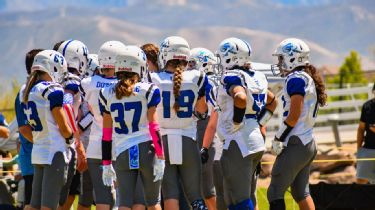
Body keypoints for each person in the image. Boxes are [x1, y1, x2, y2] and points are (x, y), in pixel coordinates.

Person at [201, 37, 277, 210]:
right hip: (254, 140)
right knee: (238, 196)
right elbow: (273, 102)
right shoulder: (256, 76)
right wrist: (259, 122)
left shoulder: (232, 76)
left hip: (238, 142)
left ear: (231, 57)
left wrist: (236, 121)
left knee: (238, 200)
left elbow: (240, 97)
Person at [99, 45, 164, 210]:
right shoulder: (148, 90)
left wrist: (106, 163)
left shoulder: (106, 93)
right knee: (153, 203)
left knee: (124, 203)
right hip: (146, 150)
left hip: (122, 152)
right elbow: (154, 126)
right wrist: (161, 156)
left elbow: (106, 134)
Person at [149, 36, 208, 210]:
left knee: (170, 194)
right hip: (188, 139)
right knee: (195, 196)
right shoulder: (197, 76)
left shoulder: (153, 78)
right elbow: (202, 110)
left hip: (163, 141)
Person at [267, 38, 326, 210]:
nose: (279, 63)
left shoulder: (296, 79)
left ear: (292, 58)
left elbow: (293, 116)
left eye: (281, 58)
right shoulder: (305, 77)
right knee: (300, 193)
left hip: (296, 142)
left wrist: (279, 137)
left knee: (274, 192)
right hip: (307, 141)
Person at [19, 50, 73, 210]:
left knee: (34, 204)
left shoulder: (27, 90)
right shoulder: (51, 89)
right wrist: (70, 137)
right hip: (54, 151)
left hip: (39, 150)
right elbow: (62, 123)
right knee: (49, 205)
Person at [80, 40, 126, 210]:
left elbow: (88, 110)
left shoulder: (87, 83)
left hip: (96, 144)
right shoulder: (126, 85)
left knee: (102, 198)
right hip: (121, 143)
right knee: (124, 198)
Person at [56, 39, 89, 210]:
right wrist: (77, 143)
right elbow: (67, 106)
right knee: (64, 198)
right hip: (66, 144)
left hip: (55, 141)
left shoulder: (58, 79)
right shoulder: (72, 82)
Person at [189, 47, 218, 210]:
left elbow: (205, 112)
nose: (188, 67)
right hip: (207, 130)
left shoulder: (206, 82)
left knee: (207, 188)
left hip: (206, 130)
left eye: (192, 63)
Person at [14, 48, 43, 209]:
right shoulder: (25, 92)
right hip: (32, 158)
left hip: (37, 156)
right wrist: (43, 144)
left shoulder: (38, 91)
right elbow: (24, 128)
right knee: (32, 203)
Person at [356, 83, 375, 184]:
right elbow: (361, 129)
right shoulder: (367, 106)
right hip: (368, 149)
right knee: (360, 181)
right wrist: (358, 149)